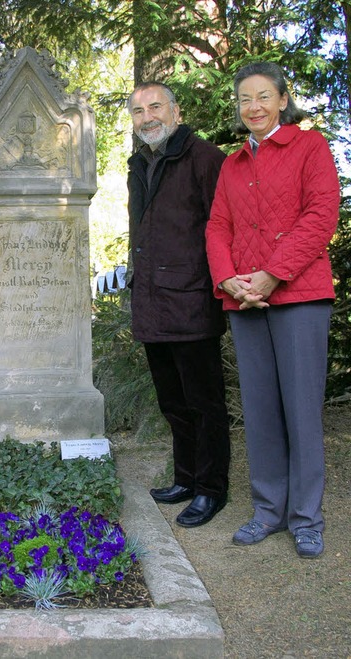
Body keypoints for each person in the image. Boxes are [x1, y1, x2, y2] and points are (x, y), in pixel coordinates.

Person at [206, 62, 340, 558]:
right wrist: (226, 278)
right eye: (245, 99)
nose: (253, 107)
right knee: (260, 410)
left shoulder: (310, 147)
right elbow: (217, 225)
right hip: (244, 299)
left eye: (263, 96)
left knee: (301, 411)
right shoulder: (232, 164)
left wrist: (272, 273)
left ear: (283, 100)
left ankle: (306, 517)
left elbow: (321, 215)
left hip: (299, 295)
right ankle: (268, 510)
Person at [126, 82, 231, 528]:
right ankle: (186, 477)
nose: (147, 117)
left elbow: (224, 227)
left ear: (175, 110)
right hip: (151, 303)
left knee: (204, 403)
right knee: (173, 402)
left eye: (155, 107)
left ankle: (211, 489)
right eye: (137, 111)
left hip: (191, 300)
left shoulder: (204, 158)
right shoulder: (138, 163)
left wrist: (219, 283)